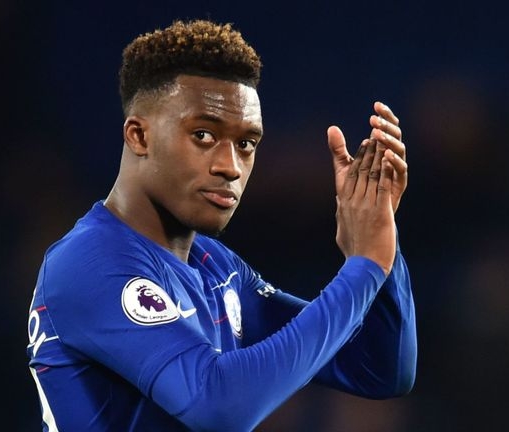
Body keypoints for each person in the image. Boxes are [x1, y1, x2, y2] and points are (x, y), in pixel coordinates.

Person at [26, 19, 416, 431]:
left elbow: (378, 368)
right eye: (203, 135)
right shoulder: (89, 264)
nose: (230, 167)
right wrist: (364, 267)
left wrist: (380, 235)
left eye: (246, 144)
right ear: (139, 136)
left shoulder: (215, 267)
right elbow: (218, 407)